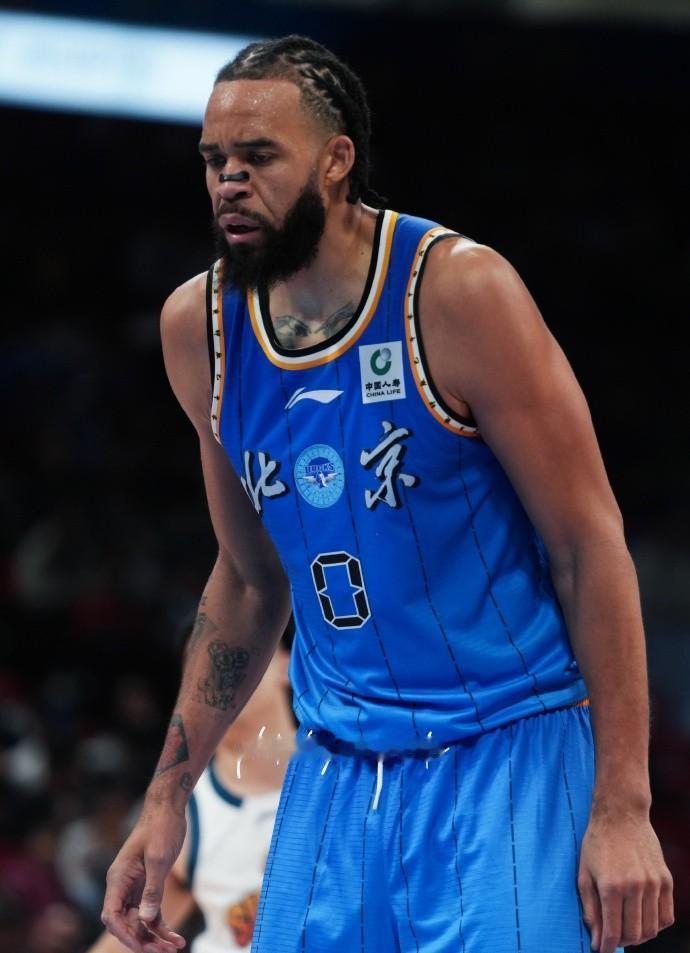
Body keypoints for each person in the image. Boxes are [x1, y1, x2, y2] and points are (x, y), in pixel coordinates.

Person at [101, 34, 673, 953]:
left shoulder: (460, 292)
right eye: (214, 160)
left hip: (508, 753)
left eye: (258, 157)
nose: (229, 183)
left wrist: (623, 804)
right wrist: (168, 796)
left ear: (336, 161)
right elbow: (247, 578)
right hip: (337, 770)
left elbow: (587, 542)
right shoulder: (198, 328)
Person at [89, 643, 293, 953]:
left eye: (238, 654)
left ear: (288, 665)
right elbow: (128, 940)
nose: (222, 674)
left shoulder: (347, 776)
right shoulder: (181, 812)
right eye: (206, 667)